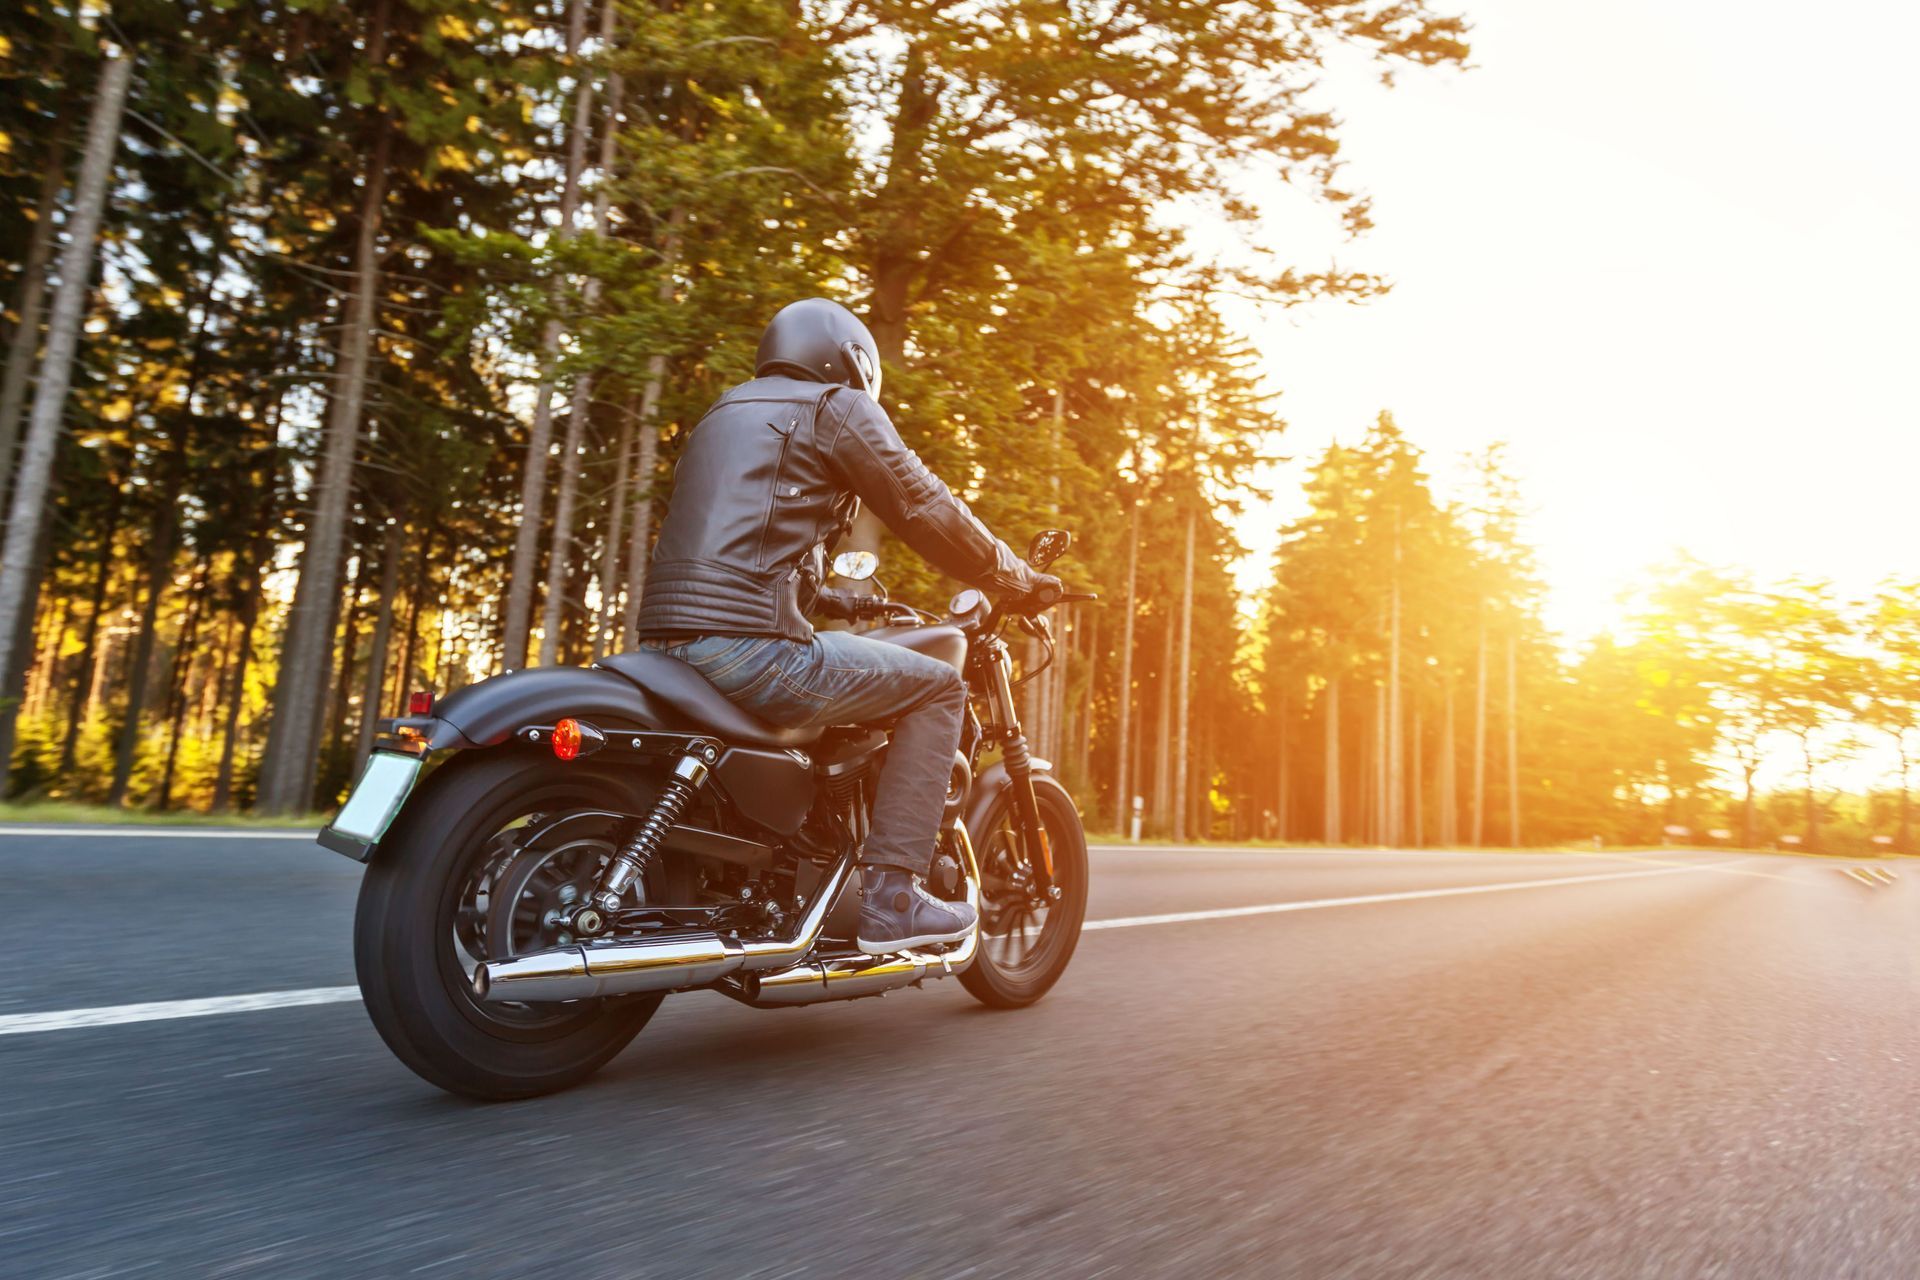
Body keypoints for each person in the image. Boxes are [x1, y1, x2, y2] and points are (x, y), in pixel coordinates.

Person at [636, 298, 1057, 954]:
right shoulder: (835, 407)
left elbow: (742, 545)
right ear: (851, 361)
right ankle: (893, 899)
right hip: (752, 649)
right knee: (939, 687)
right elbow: (923, 506)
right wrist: (1014, 577)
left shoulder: (725, 411)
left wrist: (838, 597)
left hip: (669, 642)